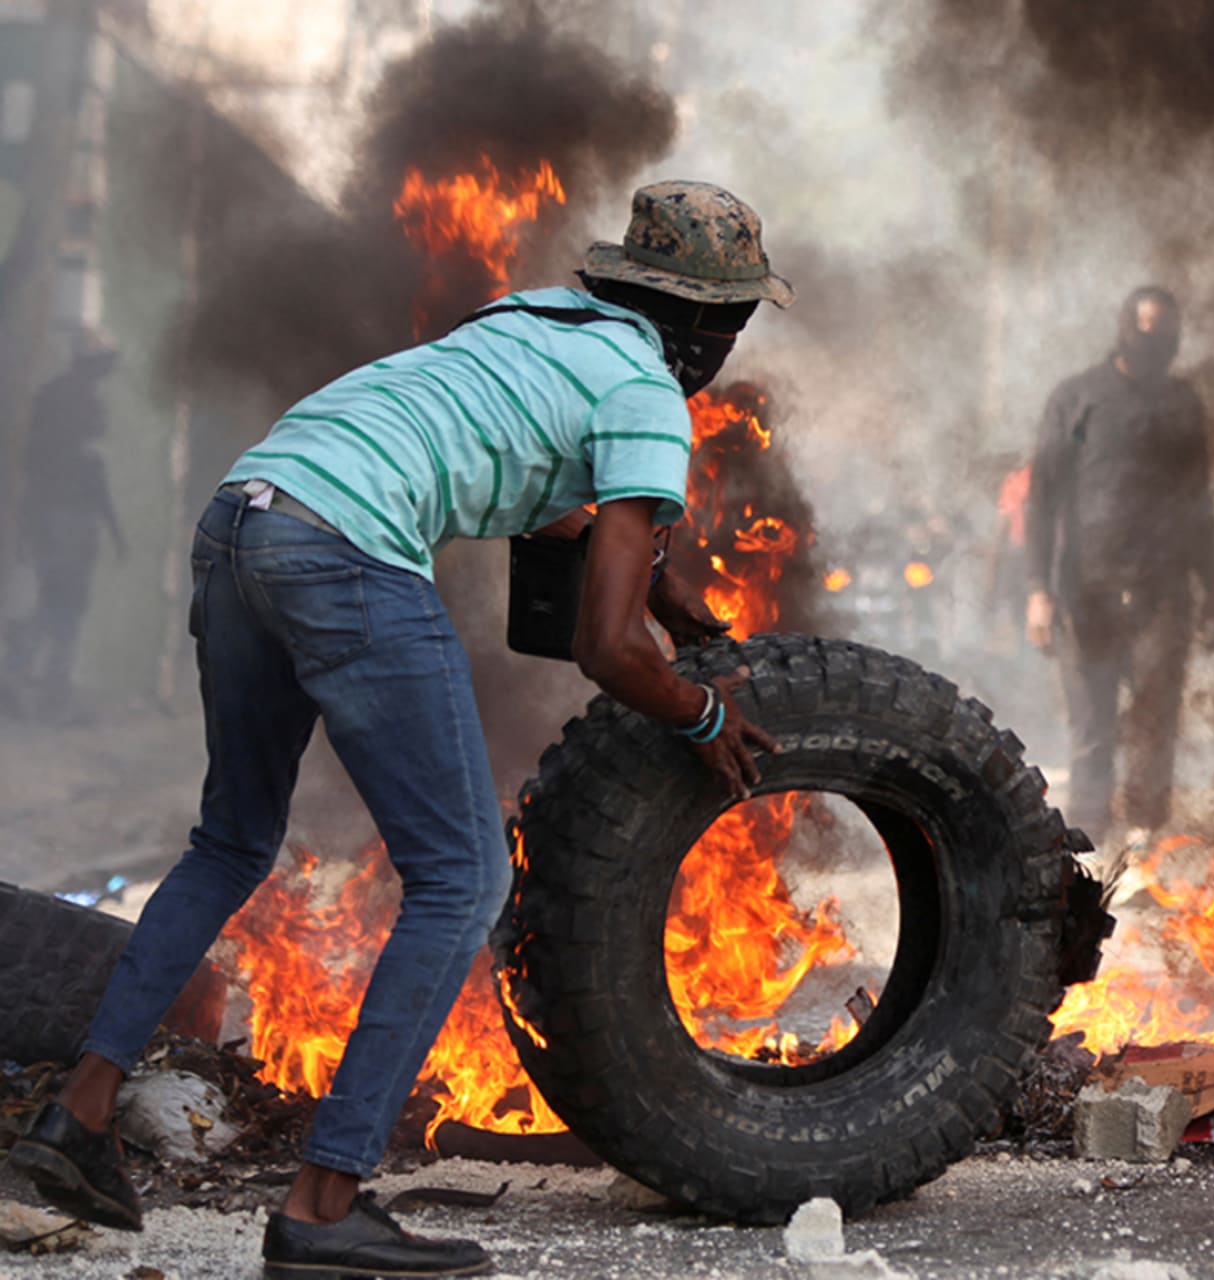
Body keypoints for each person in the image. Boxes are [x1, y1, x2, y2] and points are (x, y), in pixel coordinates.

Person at [6, 180, 792, 1279]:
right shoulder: (650, 394)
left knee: (229, 841)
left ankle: (73, 1124)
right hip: (346, 554)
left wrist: (671, 599)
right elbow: (604, 651)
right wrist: (703, 708)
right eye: (736, 321)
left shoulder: (526, 319)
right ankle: (324, 1202)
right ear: (707, 326)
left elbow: (551, 496)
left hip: (246, 516)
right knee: (459, 876)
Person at [1025, 286, 1214, 850]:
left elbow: (1201, 505)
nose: (1157, 342)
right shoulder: (1078, 397)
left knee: (1155, 723)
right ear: (1122, 329)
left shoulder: (1183, 403)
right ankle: (1086, 849)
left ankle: (1145, 843)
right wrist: (1038, 590)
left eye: (1167, 333)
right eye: (1146, 329)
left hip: (1163, 591)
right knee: (1092, 729)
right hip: (1084, 591)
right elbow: (1041, 498)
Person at [2, 335, 128, 724]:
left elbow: (33, 466)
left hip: (51, 518)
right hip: (67, 521)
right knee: (65, 604)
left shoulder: (53, 400)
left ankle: (30, 673)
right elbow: (91, 478)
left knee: (57, 601)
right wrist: (116, 533)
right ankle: (40, 682)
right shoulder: (78, 410)